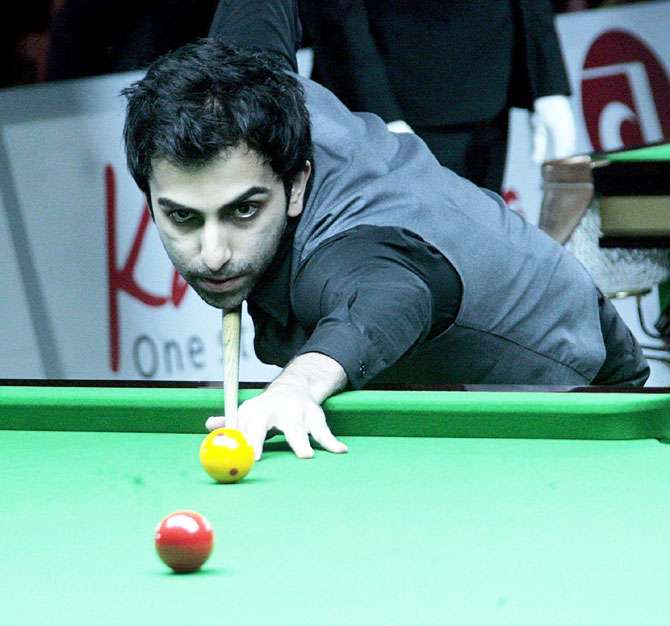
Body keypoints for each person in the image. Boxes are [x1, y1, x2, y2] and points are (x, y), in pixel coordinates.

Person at [121, 0, 648, 461]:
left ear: (296, 184)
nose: (213, 255)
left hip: (573, 384)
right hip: (438, 379)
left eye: (243, 212)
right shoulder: (243, 82)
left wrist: (297, 384)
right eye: (183, 217)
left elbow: (390, 294)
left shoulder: (347, 252)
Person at [299, 0, 577, 193]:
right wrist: (377, 111)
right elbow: (334, 8)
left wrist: (547, 81)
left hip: (491, 84)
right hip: (397, 93)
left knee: (482, 249)